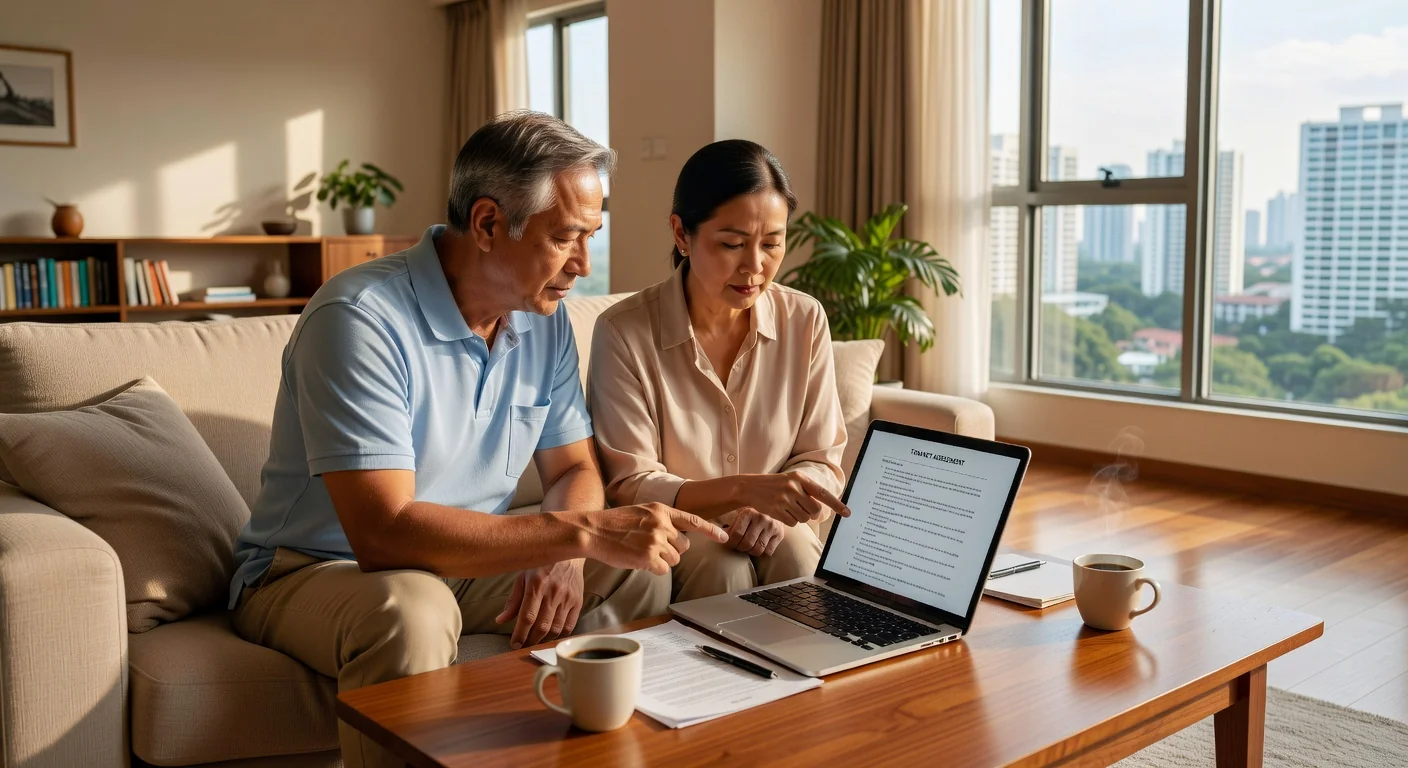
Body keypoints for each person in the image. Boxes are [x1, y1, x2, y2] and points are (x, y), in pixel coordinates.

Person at [229, 111, 726, 768]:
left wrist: (568, 554)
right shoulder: (361, 318)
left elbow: (574, 465)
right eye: (566, 238)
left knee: (636, 571)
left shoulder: (540, 316)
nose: (583, 264)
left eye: (591, 237)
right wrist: (578, 533)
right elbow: (384, 533)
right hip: (315, 568)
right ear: (489, 224)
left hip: (464, 555)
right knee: (411, 607)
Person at [589, 139, 850, 604]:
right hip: (681, 525)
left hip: (776, 526)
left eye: (772, 243)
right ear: (682, 234)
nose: (755, 267)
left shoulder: (805, 320)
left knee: (797, 558)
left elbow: (823, 457)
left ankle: (817, 674)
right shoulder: (624, 332)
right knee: (719, 567)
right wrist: (742, 494)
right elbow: (631, 481)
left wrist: (783, 509)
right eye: (732, 244)